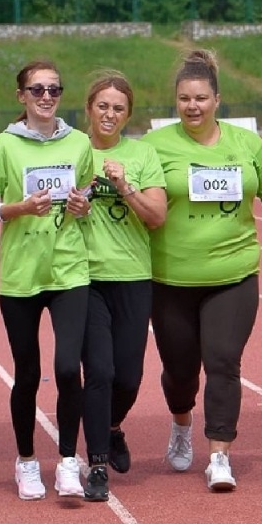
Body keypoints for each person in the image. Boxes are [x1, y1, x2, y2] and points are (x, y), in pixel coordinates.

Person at [144, 49, 262, 491]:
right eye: (184, 99)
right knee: (180, 371)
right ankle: (181, 423)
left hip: (233, 274)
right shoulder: (155, 146)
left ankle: (220, 455)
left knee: (223, 362)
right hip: (171, 278)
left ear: (217, 100)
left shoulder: (247, 145)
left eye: (201, 98)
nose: (193, 106)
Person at [0, 61, 97, 500]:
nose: (46, 97)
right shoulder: (4, 146)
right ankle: (26, 461)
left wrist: (83, 205)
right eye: (37, 90)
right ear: (21, 96)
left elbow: (86, 194)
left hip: (69, 269)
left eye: (54, 90)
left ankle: (67, 461)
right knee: (27, 373)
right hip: (21, 273)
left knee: (67, 368)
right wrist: (18, 209)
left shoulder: (79, 142)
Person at [77, 72, 166, 502]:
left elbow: (157, 217)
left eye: (118, 108)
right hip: (84, 277)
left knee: (129, 376)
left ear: (128, 114)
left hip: (132, 275)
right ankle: (96, 464)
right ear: (89, 108)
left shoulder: (142, 154)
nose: (109, 114)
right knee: (100, 372)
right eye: (102, 106)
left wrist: (124, 186)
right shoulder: (72, 150)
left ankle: (112, 427)